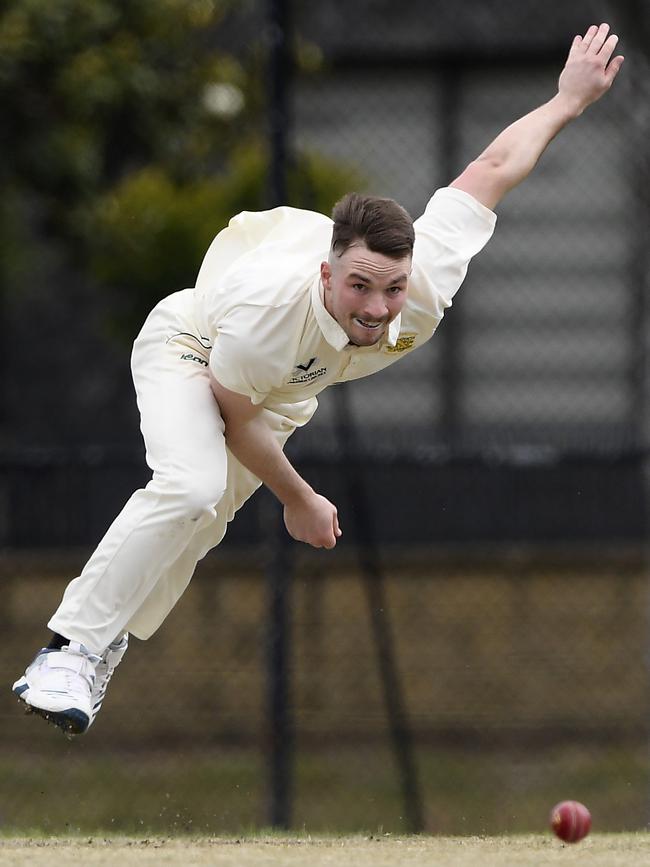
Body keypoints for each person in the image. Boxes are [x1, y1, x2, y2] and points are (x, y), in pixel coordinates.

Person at [13, 24, 623, 735]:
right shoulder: (269, 313)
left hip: (278, 391)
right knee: (191, 485)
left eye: (390, 288)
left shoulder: (426, 279)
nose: (376, 308)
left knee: (202, 523)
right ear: (328, 273)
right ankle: (67, 649)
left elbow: (493, 166)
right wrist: (299, 499)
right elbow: (237, 416)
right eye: (360, 285)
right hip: (196, 345)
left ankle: (102, 642)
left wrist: (566, 101)